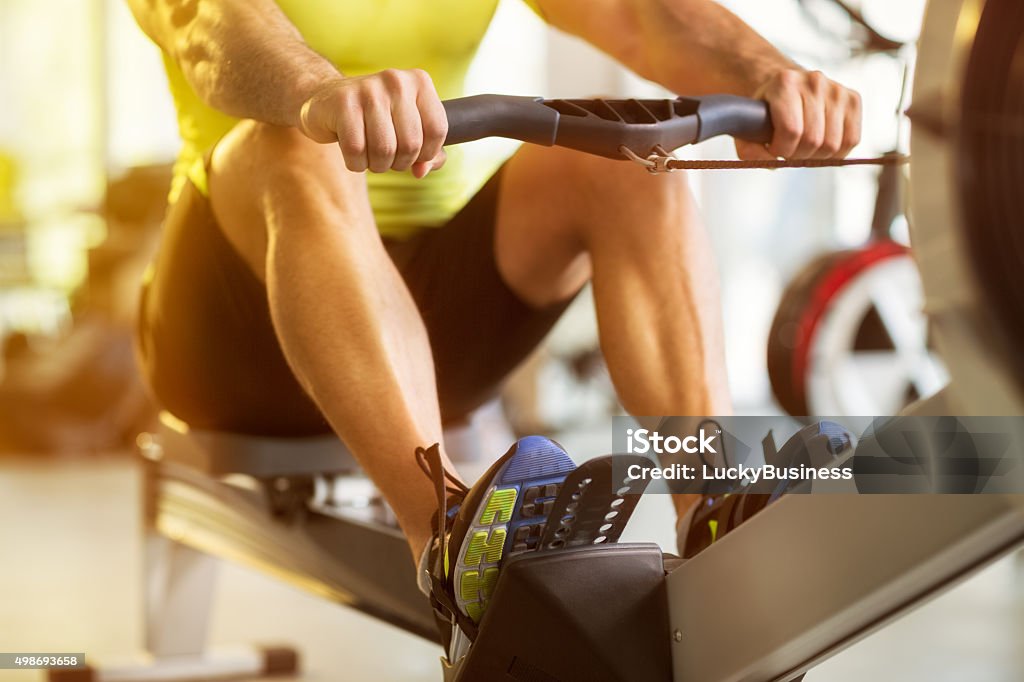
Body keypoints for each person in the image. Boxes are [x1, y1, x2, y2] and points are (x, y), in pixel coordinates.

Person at [127, 0, 861, 652]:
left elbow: (642, 14)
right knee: (293, 143)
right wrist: (316, 90)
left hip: (424, 326)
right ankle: (449, 546)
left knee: (625, 155)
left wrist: (767, 74)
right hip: (229, 332)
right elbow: (208, 27)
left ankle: (711, 514)